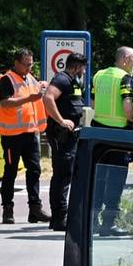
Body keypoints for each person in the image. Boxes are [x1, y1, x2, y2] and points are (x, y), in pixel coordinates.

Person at [0, 48, 49, 225]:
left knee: (34, 170)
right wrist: (29, 99)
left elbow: (34, 95)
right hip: (12, 135)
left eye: (31, 64)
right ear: (16, 63)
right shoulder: (6, 79)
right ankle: (7, 209)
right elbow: (5, 102)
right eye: (26, 64)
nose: (29, 67)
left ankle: (35, 209)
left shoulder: (30, 78)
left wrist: (42, 87)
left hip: (30, 132)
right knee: (10, 171)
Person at [91, 46, 133, 235]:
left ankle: (92, 220)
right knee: (116, 179)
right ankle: (109, 223)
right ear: (125, 59)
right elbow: (128, 108)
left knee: (99, 177)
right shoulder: (125, 79)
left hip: (98, 131)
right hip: (119, 134)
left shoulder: (99, 75)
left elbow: (93, 103)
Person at [42, 52, 87, 231]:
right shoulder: (62, 79)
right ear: (76, 67)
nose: (83, 71)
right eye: (82, 67)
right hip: (62, 134)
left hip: (70, 135)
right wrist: (61, 120)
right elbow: (48, 98)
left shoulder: (72, 81)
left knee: (64, 174)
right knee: (63, 174)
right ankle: (60, 218)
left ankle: (58, 218)